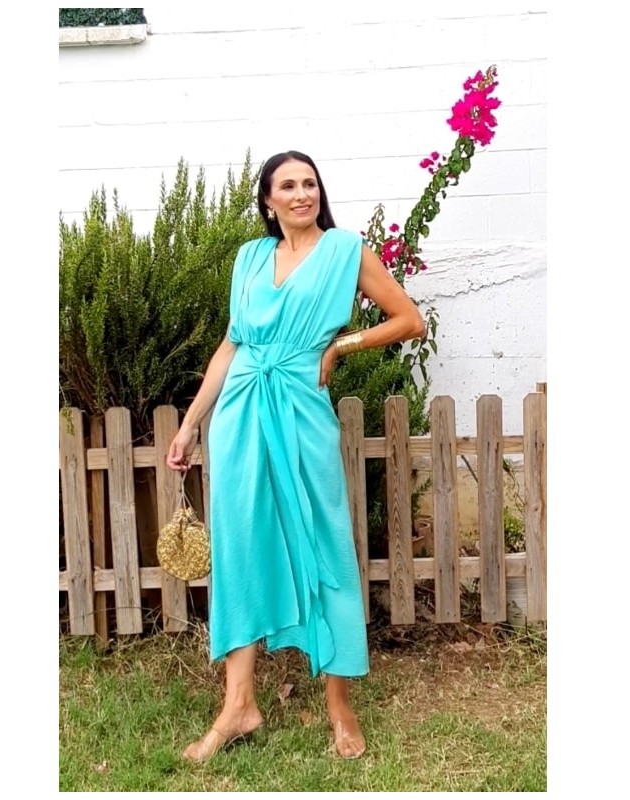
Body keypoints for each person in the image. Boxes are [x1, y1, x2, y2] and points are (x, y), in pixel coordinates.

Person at [166, 150, 425, 762]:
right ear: (268, 200)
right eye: (288, 185)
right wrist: (191, 425)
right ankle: (238, 706)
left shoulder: (346, 251)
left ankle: (340, 706)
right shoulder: (250, 257)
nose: (302, 193)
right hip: (240, 414)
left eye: (310, 183)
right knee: (241, 549)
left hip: (303, 412)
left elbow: (408, 319)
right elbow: (232, 344)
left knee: (323, 542)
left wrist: (341, 345)